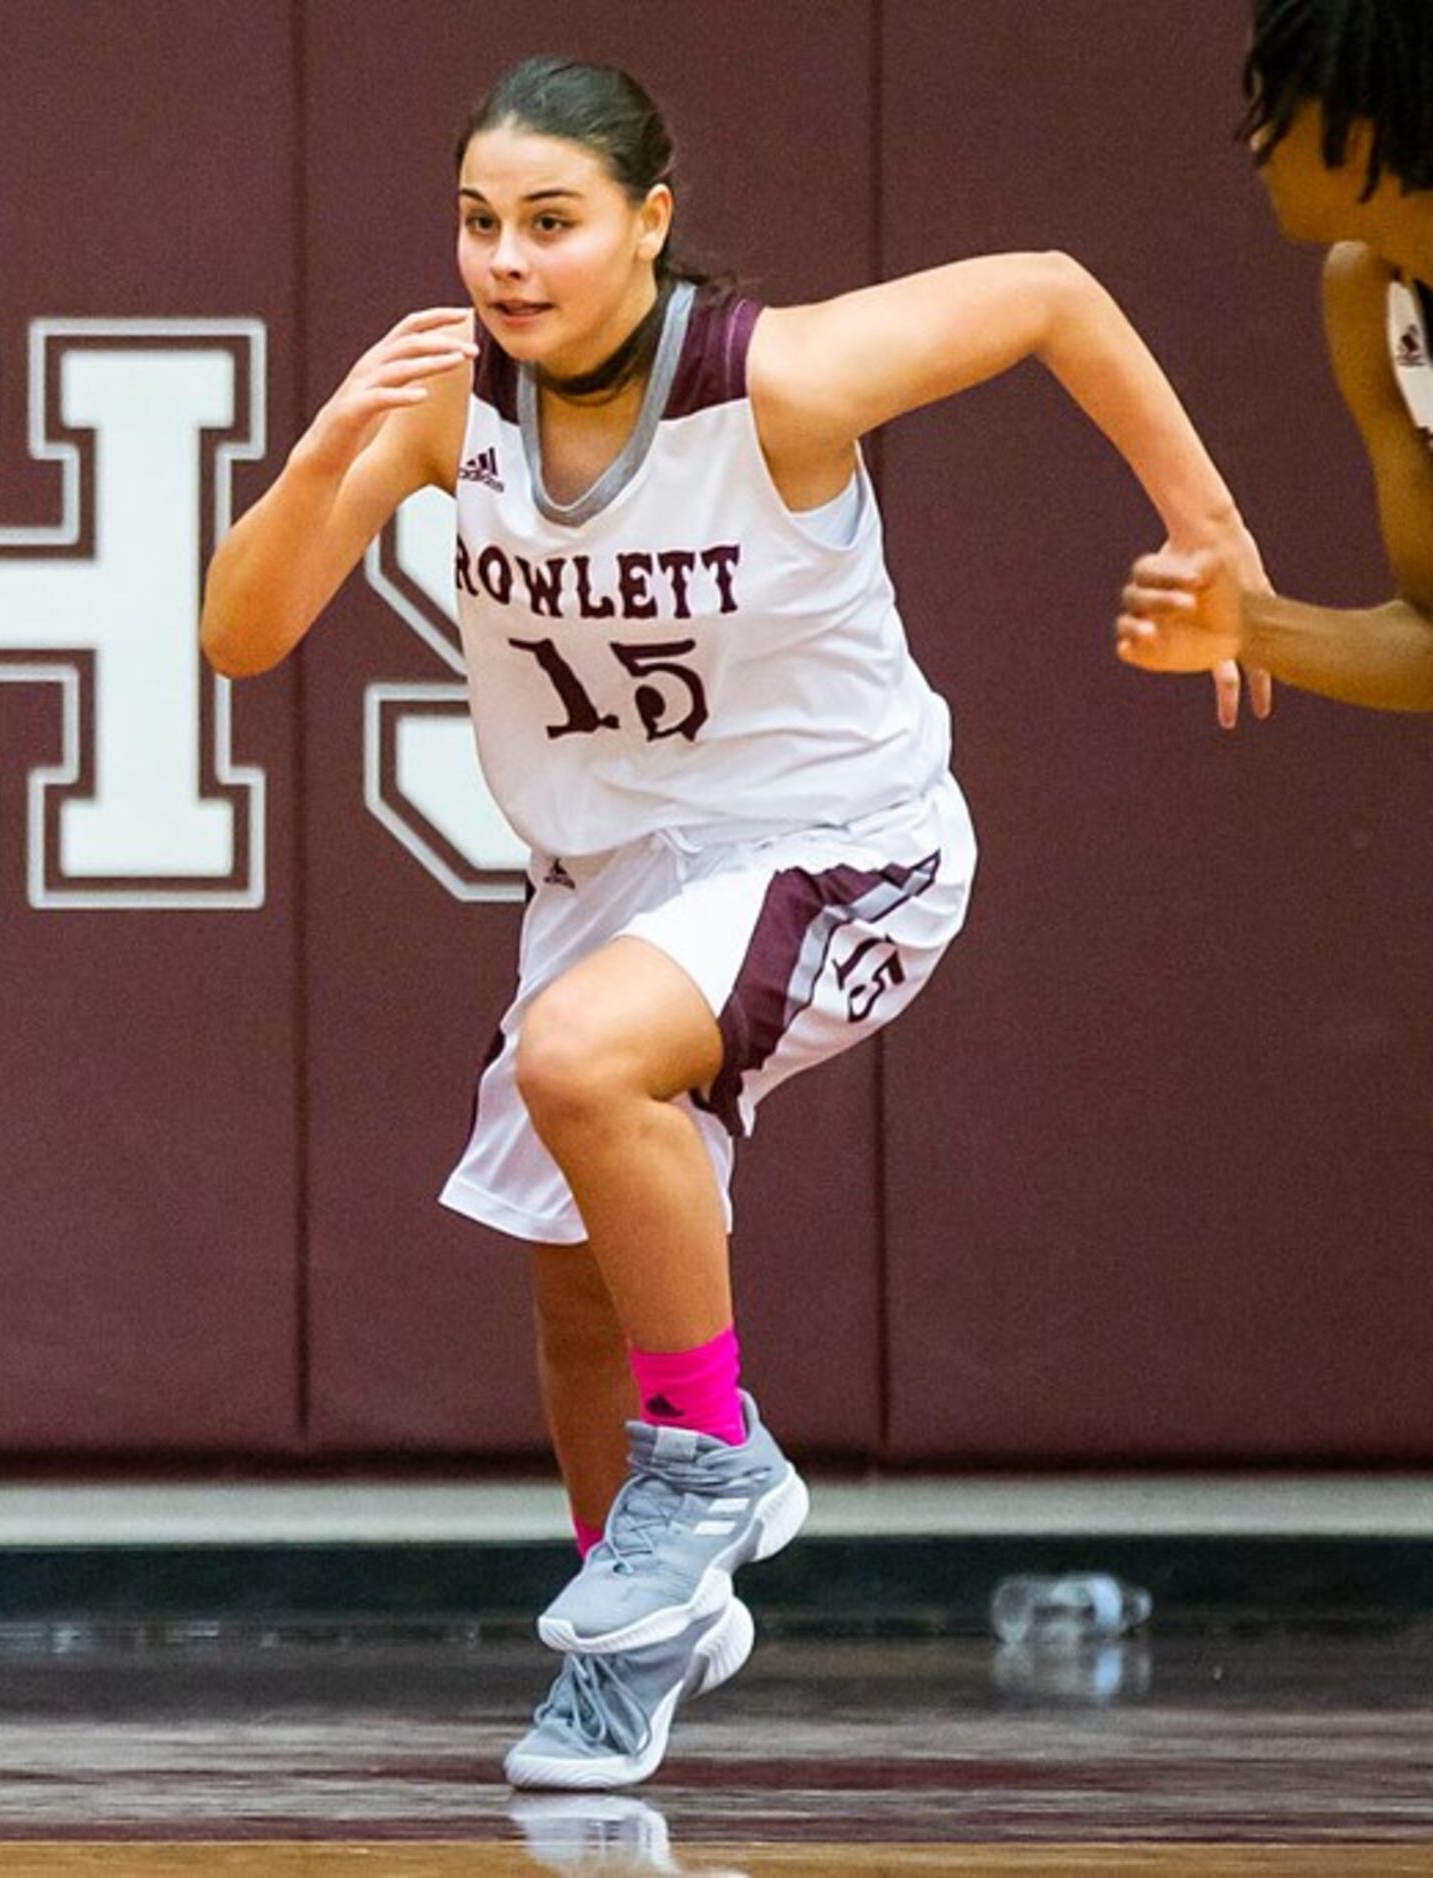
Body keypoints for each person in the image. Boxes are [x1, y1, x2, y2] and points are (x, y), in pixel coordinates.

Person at [200, 56, 1254, 1790]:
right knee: (570, 1287)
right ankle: (640, 1632)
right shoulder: (439, 402)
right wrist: (326, 448)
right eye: (479, 223)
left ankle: (709, 1456)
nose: (507, 262)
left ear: (650, 227)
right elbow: (241, 635)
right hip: (605, 877)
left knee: (580, 1057)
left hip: (842, 838)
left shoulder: (771, 375)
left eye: (552, 222)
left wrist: (1206, 531)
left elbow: (1054, 294)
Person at [1118, 0, 1433, 703]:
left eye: (1278, 103)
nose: (1257, 140)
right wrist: (1250, 627)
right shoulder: (1369, 292)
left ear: (1360, 127)